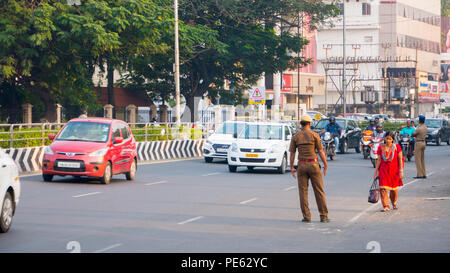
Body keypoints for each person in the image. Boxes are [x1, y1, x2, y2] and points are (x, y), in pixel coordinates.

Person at [290, 115, 329, 223]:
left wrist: (292, 167)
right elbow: (321, 152)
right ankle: (323, 216)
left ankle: (307, 216)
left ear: (300, 124)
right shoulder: (315, 135)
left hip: (301, 165)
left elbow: (292, 154)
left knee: (303, 192)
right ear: (310, 124)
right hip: (314, 165)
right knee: (319, 191)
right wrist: (325, 164)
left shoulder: (296, 136)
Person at [373, 131, 404, 212]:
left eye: (390, 139)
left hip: (394, 172)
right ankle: (386, 206)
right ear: (384, 138)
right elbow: (379, 160)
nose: (388, 141)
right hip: (383, 171)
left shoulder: (397, 147)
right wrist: (375, 172)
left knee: (394, 190)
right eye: (386, 139)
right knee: (383, 189)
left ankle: (393, 202)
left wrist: (401, 171)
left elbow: (400, 159)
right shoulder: (380, 147)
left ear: (393, 139)